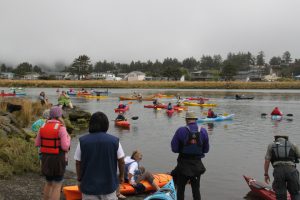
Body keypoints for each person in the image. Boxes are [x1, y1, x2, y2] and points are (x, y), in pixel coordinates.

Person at [74, 112, 125, 200]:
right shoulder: (115, 141)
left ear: (91, 124)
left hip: (89, 187)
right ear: (106, 125)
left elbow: (78, 162)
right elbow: (121, 161)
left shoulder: (82, 141)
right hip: (109, 186)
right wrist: (121, 176)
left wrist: (79, 178)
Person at [171, 111, 209, 200]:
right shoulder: (203, 131)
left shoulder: (180, 130)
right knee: (196, 190)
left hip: (183, 164)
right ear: (195, 120)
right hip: (197, 165)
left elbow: (174, 149)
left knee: (180, 189)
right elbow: (206, 150)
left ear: (186, 120)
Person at [35, 106, 71, 200]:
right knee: (57, 185)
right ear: (60, 115)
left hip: (45, 158)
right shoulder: (61, 128)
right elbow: (65, 147)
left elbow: (37, 143)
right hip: (58, 159)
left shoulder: (43, 126)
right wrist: (68, 138)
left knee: (48, 183)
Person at [264, 134, 300, 200]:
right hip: (291, 170)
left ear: (275, 138)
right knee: (295, 193)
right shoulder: (293, 144)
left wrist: (266, 174)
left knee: (281, 195)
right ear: (286, 138)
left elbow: (267, 160)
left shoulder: (271, 145)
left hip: (278, 171)